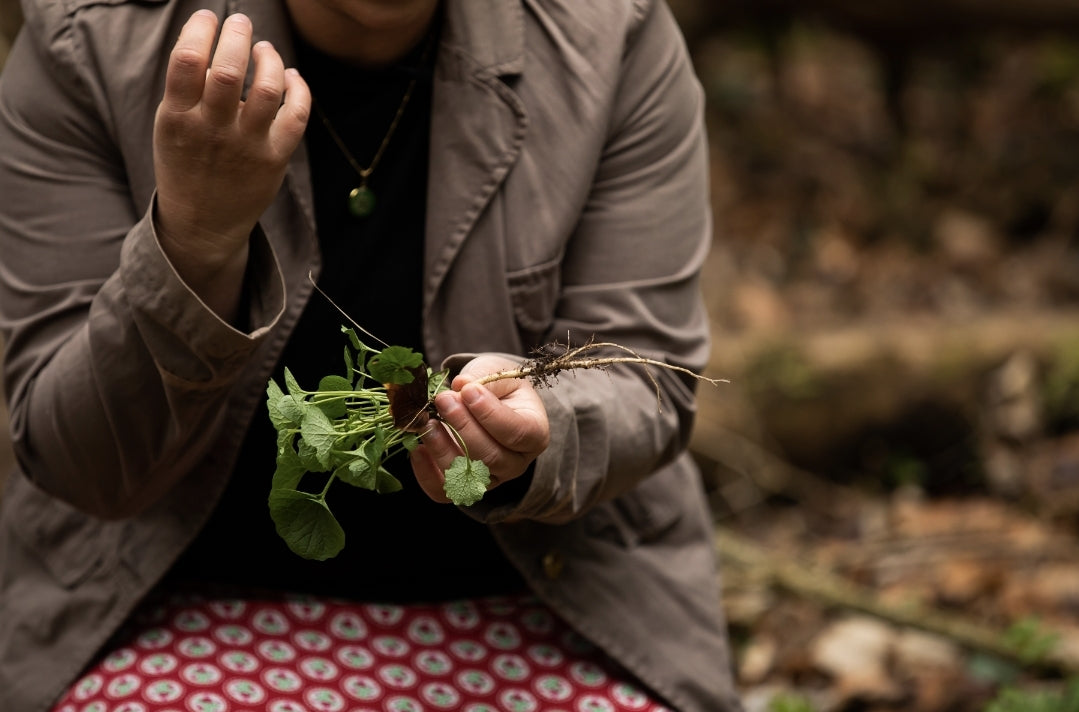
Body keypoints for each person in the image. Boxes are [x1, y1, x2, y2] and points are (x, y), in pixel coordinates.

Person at [0, 1, 743, 710]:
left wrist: (544, 421)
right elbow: (77, 462)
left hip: (554, 612)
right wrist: (193, 242)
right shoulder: (91, 38)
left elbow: (646, 380)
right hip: (163, 613)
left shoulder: (608, 33)